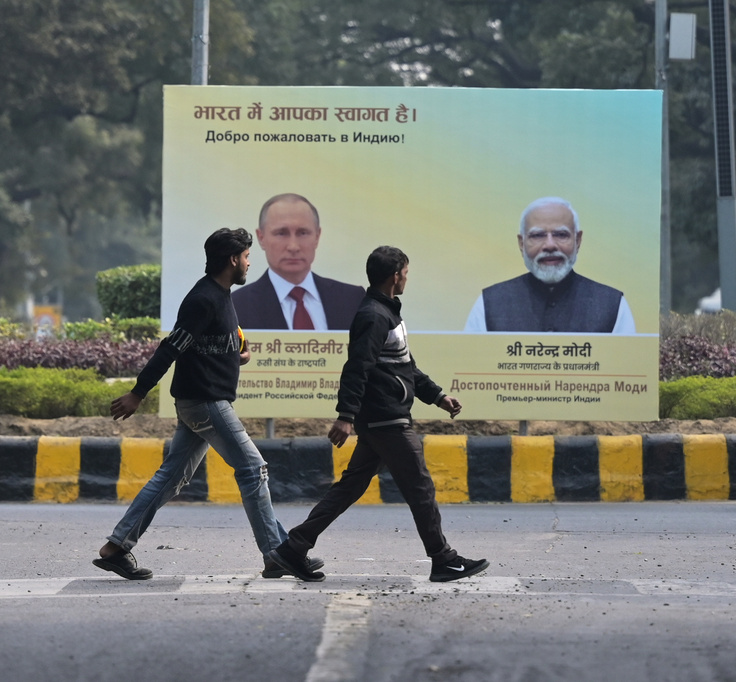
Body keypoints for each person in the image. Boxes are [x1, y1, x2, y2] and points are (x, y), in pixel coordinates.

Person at [92, 228, 322, 580]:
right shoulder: (203, 300)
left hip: (199, 402)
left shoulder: (221, 295)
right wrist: (138, 392)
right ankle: (276, 553)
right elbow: (172, 347)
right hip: (205, 402)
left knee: (171, 477)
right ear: (233, 259)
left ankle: (116, 546)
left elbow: (210, 344)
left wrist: (238, 354)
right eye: (247, 257)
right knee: (252, 469)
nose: (249, 263)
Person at [269, 246, 490, 583]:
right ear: (395, 274)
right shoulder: (373, 316)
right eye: (406, 273)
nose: (406, 278)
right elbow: (356, 367)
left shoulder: (387, 314)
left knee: (350, 487)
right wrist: (345, 415)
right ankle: (443, 559)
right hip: (386, 419)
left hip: (383, 418)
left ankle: (293, 548)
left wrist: (439, 397)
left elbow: (406, 366)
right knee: (420, 487)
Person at [464, 197, 636, 333]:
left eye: (561, 234)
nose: (550, 245)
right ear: (521, 243)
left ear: (578, 240)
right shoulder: (489, 304)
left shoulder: (613, 305)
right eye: (537, 235)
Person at [231, 193, 364, 330]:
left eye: (303, 233)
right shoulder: (235, 308)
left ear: (317, 237)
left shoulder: (352, 300)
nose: (293, 246)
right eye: (281, 233)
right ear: (261, 238)